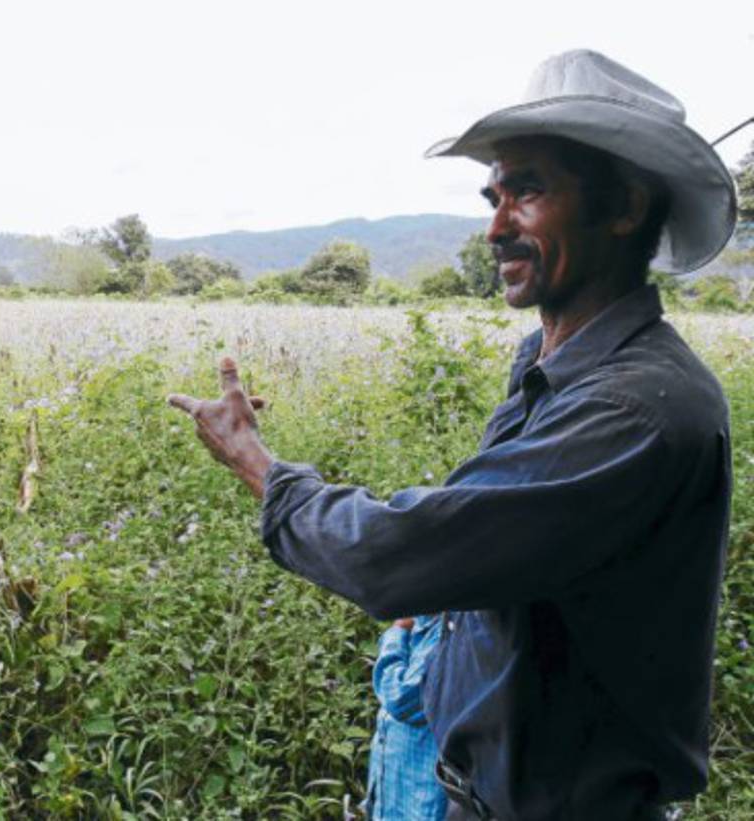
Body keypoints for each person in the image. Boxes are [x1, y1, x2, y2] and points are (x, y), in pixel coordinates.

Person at [168, 50, 735, 820]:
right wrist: (447, 603)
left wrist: (258, 463)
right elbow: (494, 539)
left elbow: (397, 555)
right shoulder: (550, 361)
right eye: (493, 196)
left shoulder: (637, 409)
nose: (496, 227)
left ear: (626, 205)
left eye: (528, 191)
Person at [365, 614, 447, 820]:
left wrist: (398, 630)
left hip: (421, 800)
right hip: (393, 795)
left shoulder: (448, 632)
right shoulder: (422, 623)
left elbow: (401, 698)